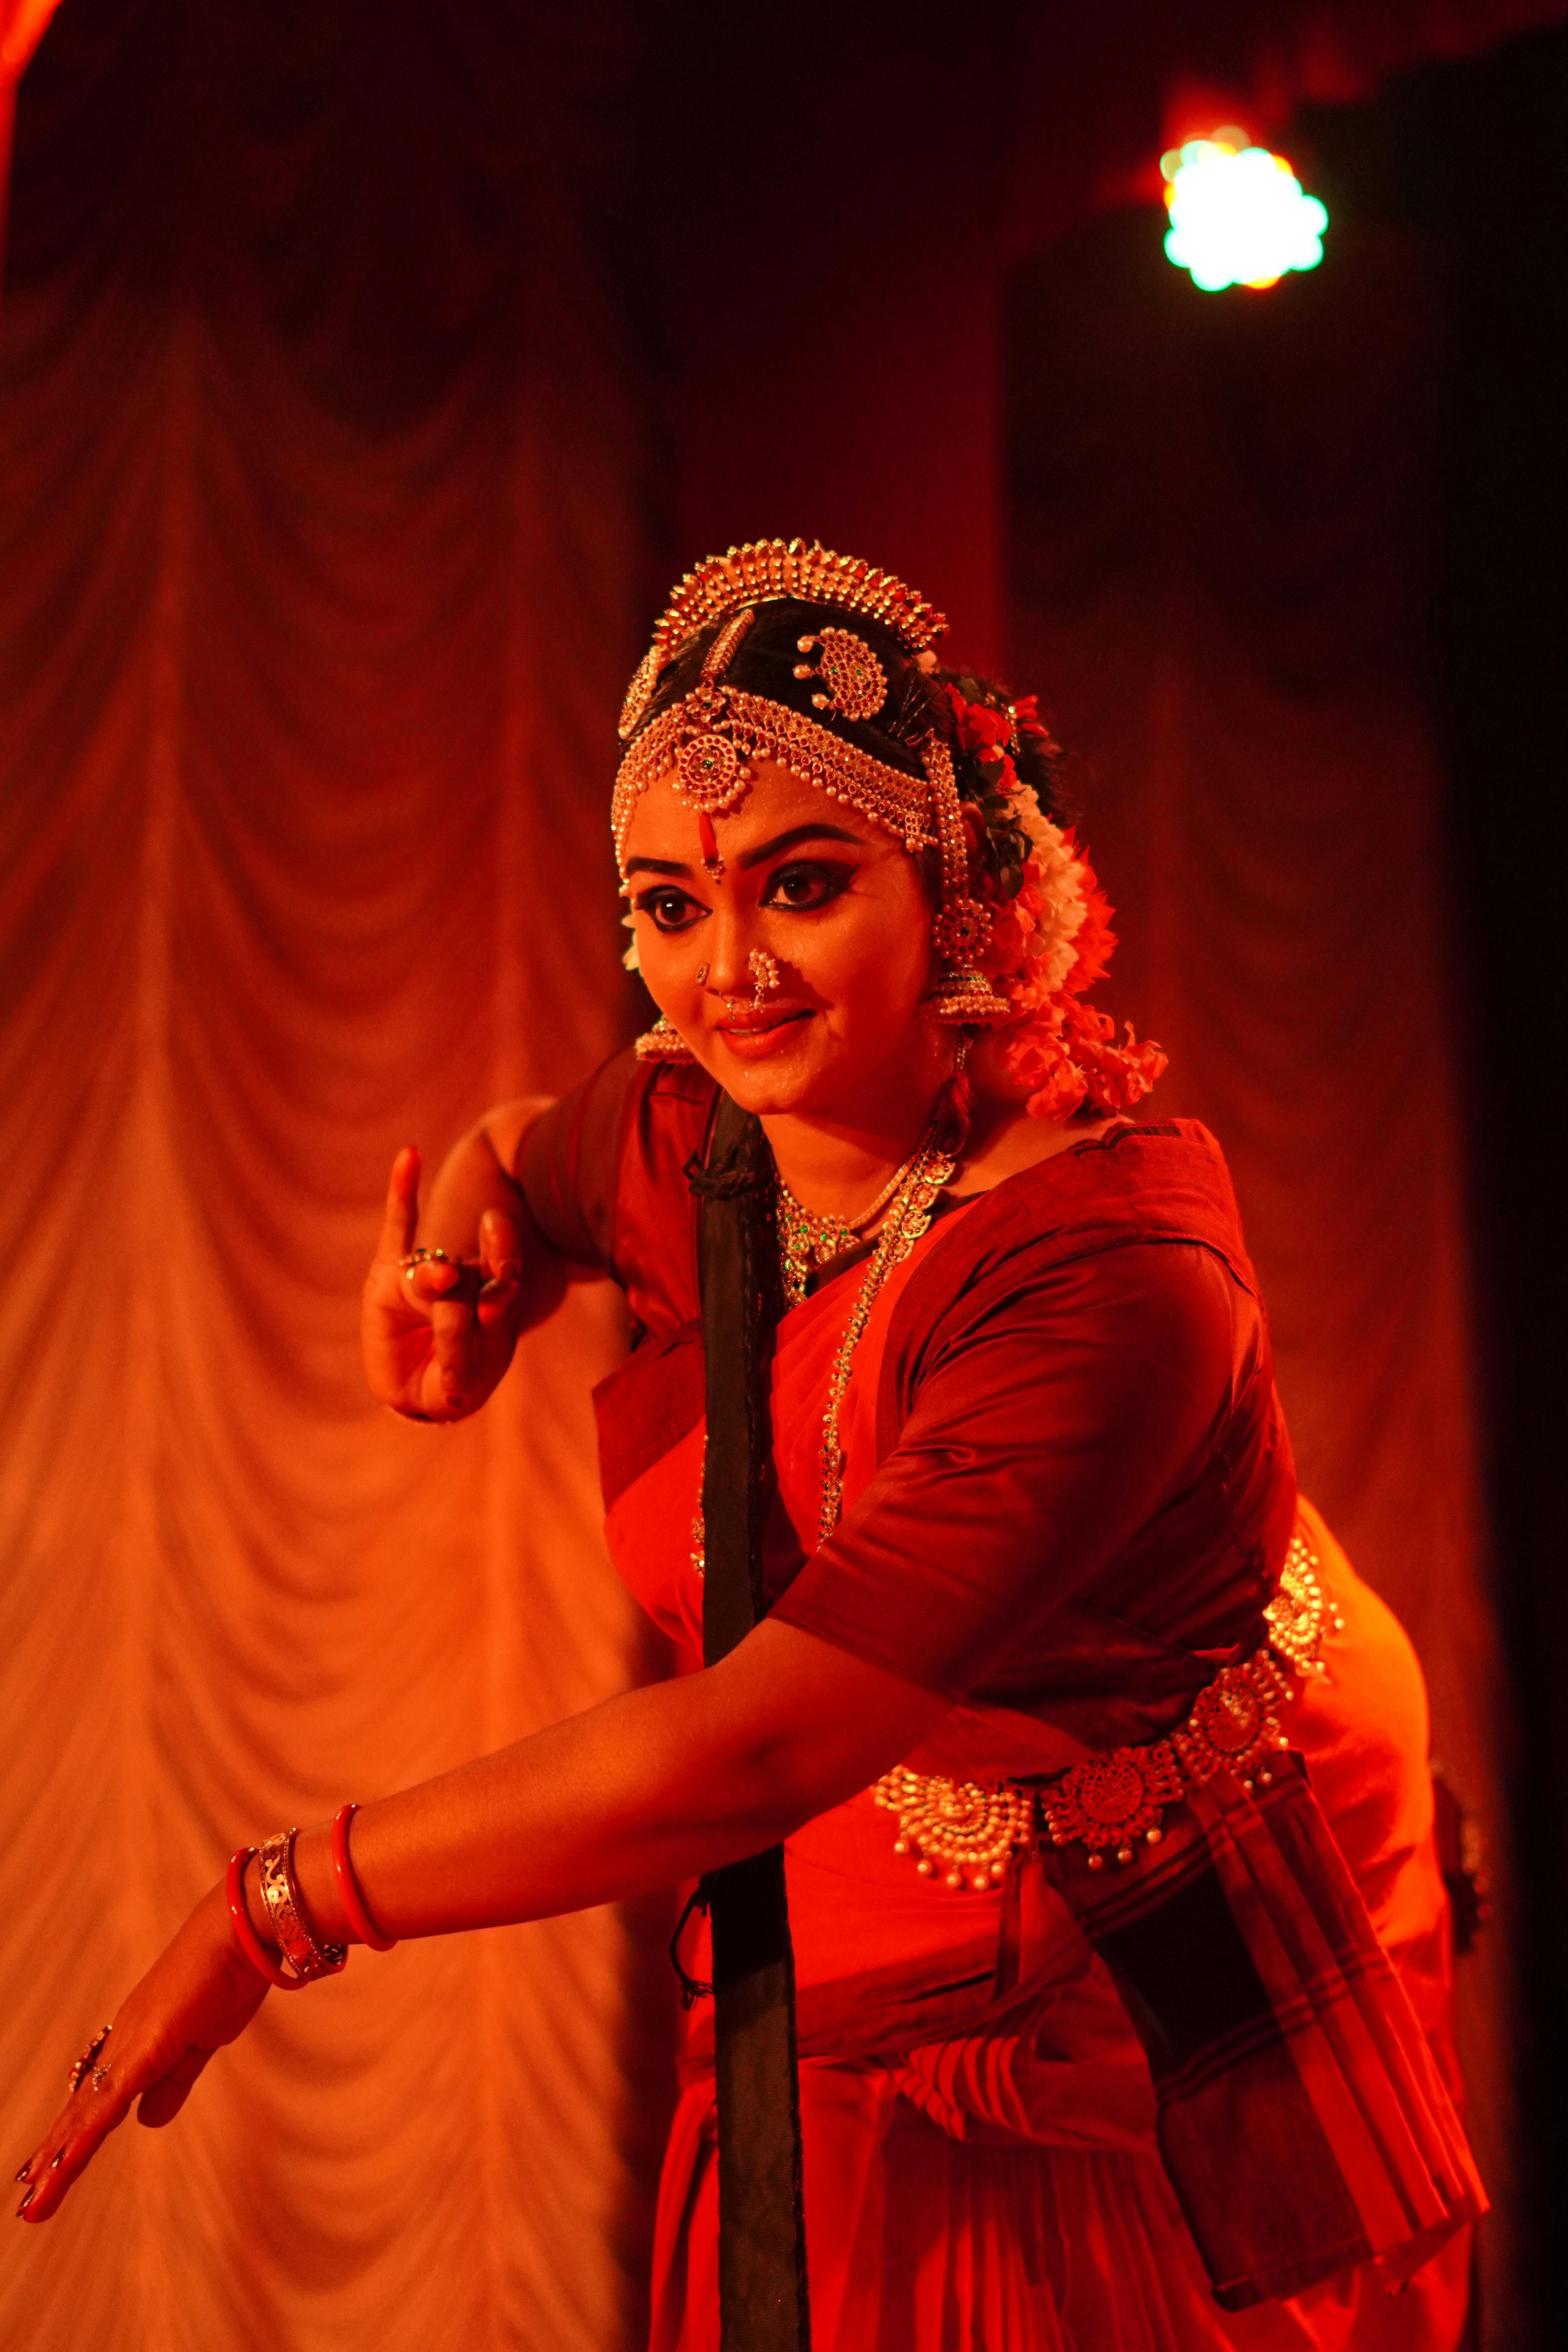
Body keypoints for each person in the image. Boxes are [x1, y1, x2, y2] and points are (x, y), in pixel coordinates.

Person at [18, 540, 1483, 2352]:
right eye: (668, 905)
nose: (730, 974)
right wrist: (463, 1268)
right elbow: (518, 1153)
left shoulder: (1113, 1273)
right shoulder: (692, 1140)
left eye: (801, 886)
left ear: (957, 891)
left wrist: (270, 1909)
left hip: (1134, 1979)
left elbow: (752, 1751)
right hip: (854, 1896)